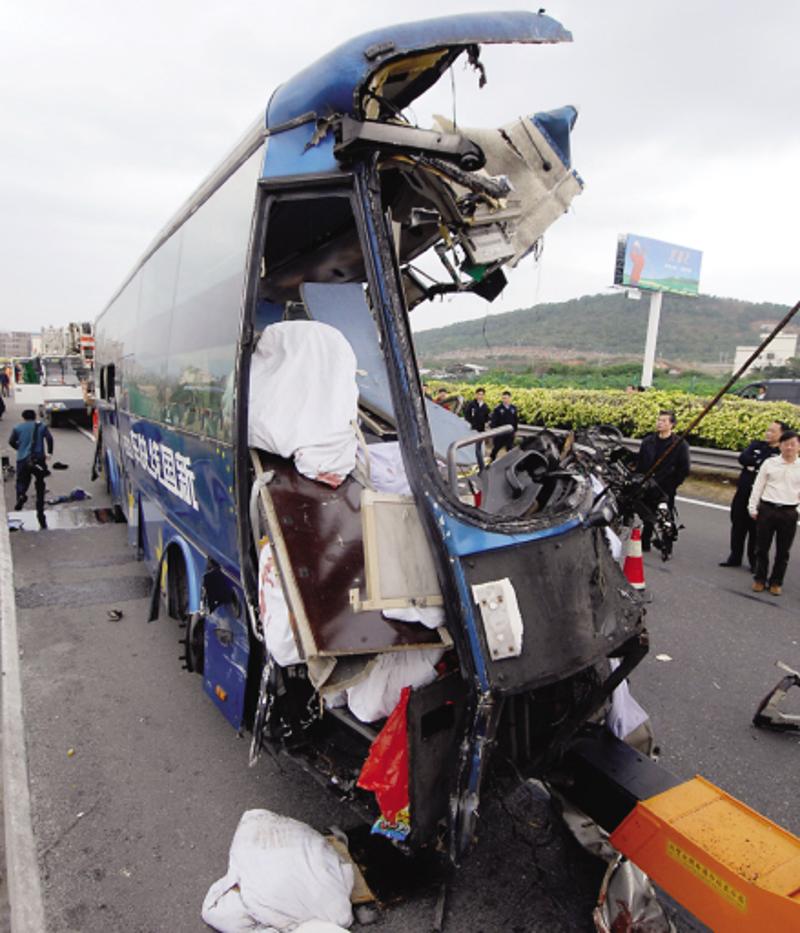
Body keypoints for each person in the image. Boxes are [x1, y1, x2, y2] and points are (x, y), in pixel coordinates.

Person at [719, 421, 786, 569]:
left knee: (755, 529)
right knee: (738, 524)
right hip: (743, 492)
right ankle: (734, 556)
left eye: (773, 431)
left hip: (763, 496)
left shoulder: (780, 453)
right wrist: (757, 463)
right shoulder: (757, 445)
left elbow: (769, 468)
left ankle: (754, 561)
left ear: (782, 435)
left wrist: (754, 464)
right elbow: (743, 458)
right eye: (768, 430)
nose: (768, 433)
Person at [748, 429, 800, 596]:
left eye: (793, 444)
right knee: (762, 547)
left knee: (783, 551)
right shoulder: (769, 463)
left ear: (798, 446)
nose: (789, 448)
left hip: (789, 511)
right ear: (780, 446)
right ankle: (760, 579)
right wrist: (753, 507)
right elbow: (758, 486)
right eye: (785, 444)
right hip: (767, 508)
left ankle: (776, 582)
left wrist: (797, 510)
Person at [635, 410, 690, 551]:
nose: (660, 423)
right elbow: (640, 463)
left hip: (665, 487)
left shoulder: (679, 444)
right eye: (659, 420)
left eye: (664, 421)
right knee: (647, 514)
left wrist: (672, 485)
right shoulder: (648, 441)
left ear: (672, 425)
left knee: (666, 516)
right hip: (647, 484)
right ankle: (645, 541)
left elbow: (684, 468)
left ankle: (667, 544)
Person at [9, 409, 54, 529]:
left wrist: (20, 448)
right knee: (40, 481)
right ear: (34, 416)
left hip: (23, 459)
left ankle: (21, 495)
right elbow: (49, 439)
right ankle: (40, 503)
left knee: (21, 480)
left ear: (23, 417)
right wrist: (49, 452)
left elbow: (11, 441)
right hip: (38, 459)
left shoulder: (17, 428)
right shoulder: (42, 426)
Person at [464, 387, 490, 469]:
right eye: (479, 394)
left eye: (482, 395)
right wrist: (472, 423)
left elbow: (487, 418)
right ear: (476, 395)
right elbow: (467, 415)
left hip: (481, 430)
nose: (480, 396)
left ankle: (479, 464)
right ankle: (472, 463)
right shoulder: (472, 404)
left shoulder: (485, 406)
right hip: (472, 429)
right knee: (472, 447)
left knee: (478, 448)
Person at [489, 390, 518, 461]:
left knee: (510, 449)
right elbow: (494, 421)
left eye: (507, 398)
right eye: (504, 398)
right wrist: (495, 431)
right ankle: (491, 459)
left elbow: (515, 420)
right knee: (496, 448)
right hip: (500, 433)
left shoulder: (513, 408)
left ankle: (509, 463)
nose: (505, 400)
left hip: (510, 433)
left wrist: (515, 430)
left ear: (510, 398)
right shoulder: (498, 409)